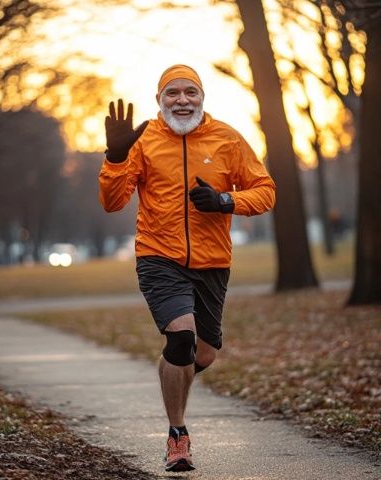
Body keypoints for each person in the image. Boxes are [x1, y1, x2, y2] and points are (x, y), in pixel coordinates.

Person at [98, 64, 276, 472]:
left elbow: (265, 190)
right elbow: (112, 202)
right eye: (172, 93)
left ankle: (171, 375)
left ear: (202, 97)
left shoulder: (227, 138)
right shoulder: (142, 142)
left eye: (190, 92)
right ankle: (178, 436)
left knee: (205, 353)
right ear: (159, 99)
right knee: (181, 341)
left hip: (213, 262)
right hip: (159, 257)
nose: (182, 100)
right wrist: (116, 156)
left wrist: (226, 201)